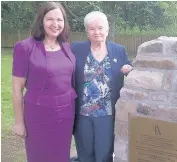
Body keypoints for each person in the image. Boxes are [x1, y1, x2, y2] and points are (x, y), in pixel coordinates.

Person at [11, 2, 76, 162]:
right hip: (38, 116)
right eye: (50, 19)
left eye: (60, 20)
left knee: (61, 156)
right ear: (41, 21)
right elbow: (16, 88)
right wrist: (19, 122)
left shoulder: (66, 47)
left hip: (66, 115)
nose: (55, 24)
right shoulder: (25, 48)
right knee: (39, 156)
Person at [71, 11, 132, 162]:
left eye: (100, 28)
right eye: (92, 28)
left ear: (107, 29)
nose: (96, 32)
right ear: (87, 31)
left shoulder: (119, 50)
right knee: (85, 154)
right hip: (83, 114)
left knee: (104, 155)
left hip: (107, 114)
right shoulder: (76, 49)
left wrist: (129, 69)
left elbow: (129, 67)